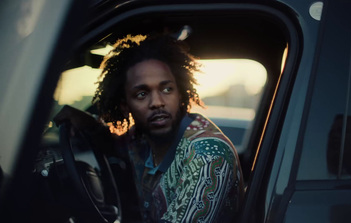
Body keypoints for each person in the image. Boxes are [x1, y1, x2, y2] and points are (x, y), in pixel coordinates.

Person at [54, 34, 244, 222]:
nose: (157, 102)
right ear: (124, 105)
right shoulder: (141, 141)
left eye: (167, 89)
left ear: (181, 94)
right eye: (142, 94)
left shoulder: (208, 156)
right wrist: (86, 121)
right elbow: (111, 143)